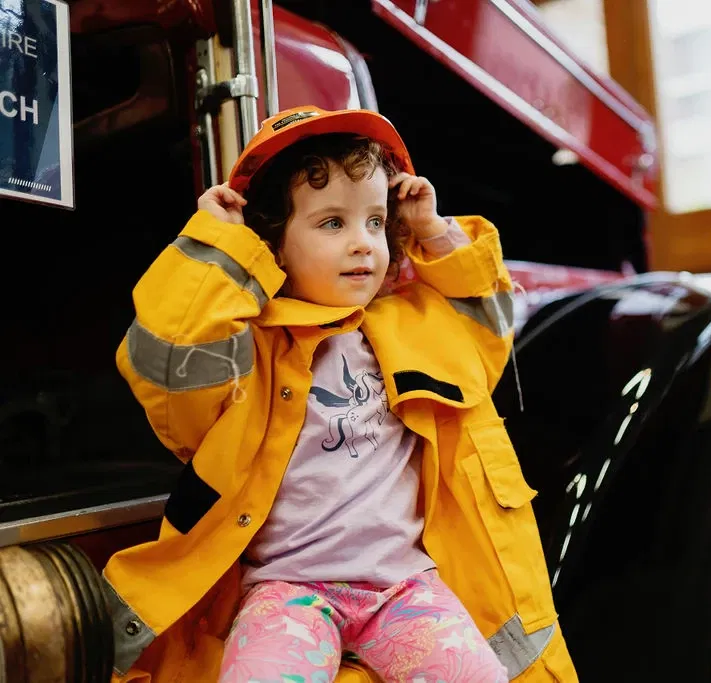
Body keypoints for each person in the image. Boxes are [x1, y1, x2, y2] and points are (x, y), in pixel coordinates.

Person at [103, 106, 577, 683]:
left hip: (405, 589)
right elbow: (174, 363)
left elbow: (488, 324)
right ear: (273, 242)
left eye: (376, 222)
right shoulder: (252, 346)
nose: (363, 245)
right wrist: (217, 250)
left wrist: (431, 230)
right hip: (289, 593)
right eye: (333, 223)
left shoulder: (411, 324)